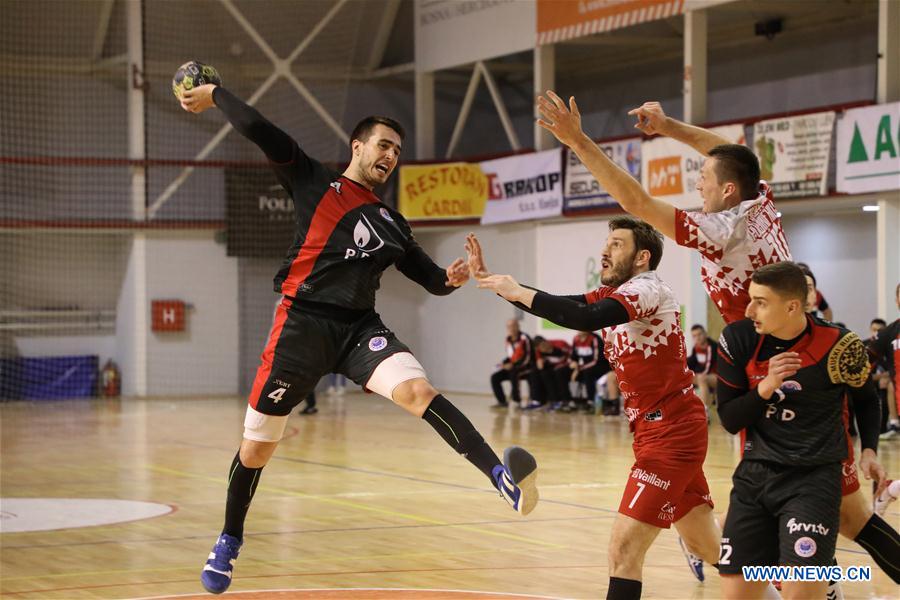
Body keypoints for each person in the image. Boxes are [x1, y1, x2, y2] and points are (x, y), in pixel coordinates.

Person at [179, 81, 539, 595]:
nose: (390, 155)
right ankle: (229, 538)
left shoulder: (394, 223)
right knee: (256, 449)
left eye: (397, 150)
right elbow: (259, 129)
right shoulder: (312, 181)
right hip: (301, 325)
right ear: (358, 147)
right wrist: (217, 93)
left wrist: (454, 278)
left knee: (419, 392)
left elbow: (431, 281)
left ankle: (499, 478)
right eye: (383, 145)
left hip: (357, 330)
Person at [536, 90, 899, 586]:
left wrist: (578, 141)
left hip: (779, 359)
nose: (698, 185)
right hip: (774, 350)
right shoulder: (759, 199)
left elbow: (636, 202)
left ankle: (805, 577)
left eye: (703, 181)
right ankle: (774, 568)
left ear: (727, 191)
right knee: (842, 514)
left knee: (832, 511)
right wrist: (670, 128)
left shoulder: (723, 228)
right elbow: (732, 155)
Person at [467, 218, 720, 600]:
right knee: (712, 549)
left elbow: (584, 318)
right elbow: (566, 306)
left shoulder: (646, 289)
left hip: (672, 431)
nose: (605, 251)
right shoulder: (613, 292)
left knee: (623, 552)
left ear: (642, 257)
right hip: (656, 429)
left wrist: (517, 291)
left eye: (616, 244)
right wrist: (502, 287)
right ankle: (802, 582)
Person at [715, 262, 885, 599]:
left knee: (802, 594)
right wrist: (766, 388)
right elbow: (731, 419)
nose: (749, 310)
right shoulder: (738, 338)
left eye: (760, 302)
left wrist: (868, 449)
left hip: (813, 479)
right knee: (736, 594)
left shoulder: (840, 344)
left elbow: (867, 400)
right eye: (750, 299)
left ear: (792, 306)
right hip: (754, 477)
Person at [490, 319, 534, 408]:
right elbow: (511, 357)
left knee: (514, 372)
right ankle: (502, 402)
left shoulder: (524, 338)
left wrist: (513, 365)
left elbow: (528, 356)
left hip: (527, 367)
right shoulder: (508, 340)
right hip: (513, 367)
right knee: (495, 377)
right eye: (509, 326)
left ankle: (516, 401)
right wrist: (503, 364)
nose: (512, 328)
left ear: (518, 326)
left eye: (514, 326)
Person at [567, 330, 611, 413]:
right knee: (563, 371)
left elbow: (596, 360)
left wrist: (579, 368)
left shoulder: (594, 338)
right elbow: (573, 357)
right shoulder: (576, 339)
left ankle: (590, 402)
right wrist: (573, 363)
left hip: (601, 366)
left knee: (587, 373)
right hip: (586, 367)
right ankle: (569, 401)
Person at [529, 336, 571, 410]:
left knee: (558, 372)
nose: (544, 348)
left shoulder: (560, 344)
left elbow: (572, 357)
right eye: (541, 348)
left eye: (544, 345)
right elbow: (540, 366)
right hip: (554, 368)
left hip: (566, 367)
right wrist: (540, 362)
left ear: (546, 341)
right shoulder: (539, 351)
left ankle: (565, 401)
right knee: (540, 373)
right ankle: (541, 401)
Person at [687, 324, 718, 418]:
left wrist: (697, 375)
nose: (697, 338)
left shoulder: (713, 347)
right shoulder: (696, 348)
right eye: (694, 336)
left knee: (701, 378)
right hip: (703, 376)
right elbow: (692, 362)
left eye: (699, 334)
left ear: (705, 334)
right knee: (683, 378)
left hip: (717, 377)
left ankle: (705, 411)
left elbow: (707, 368)